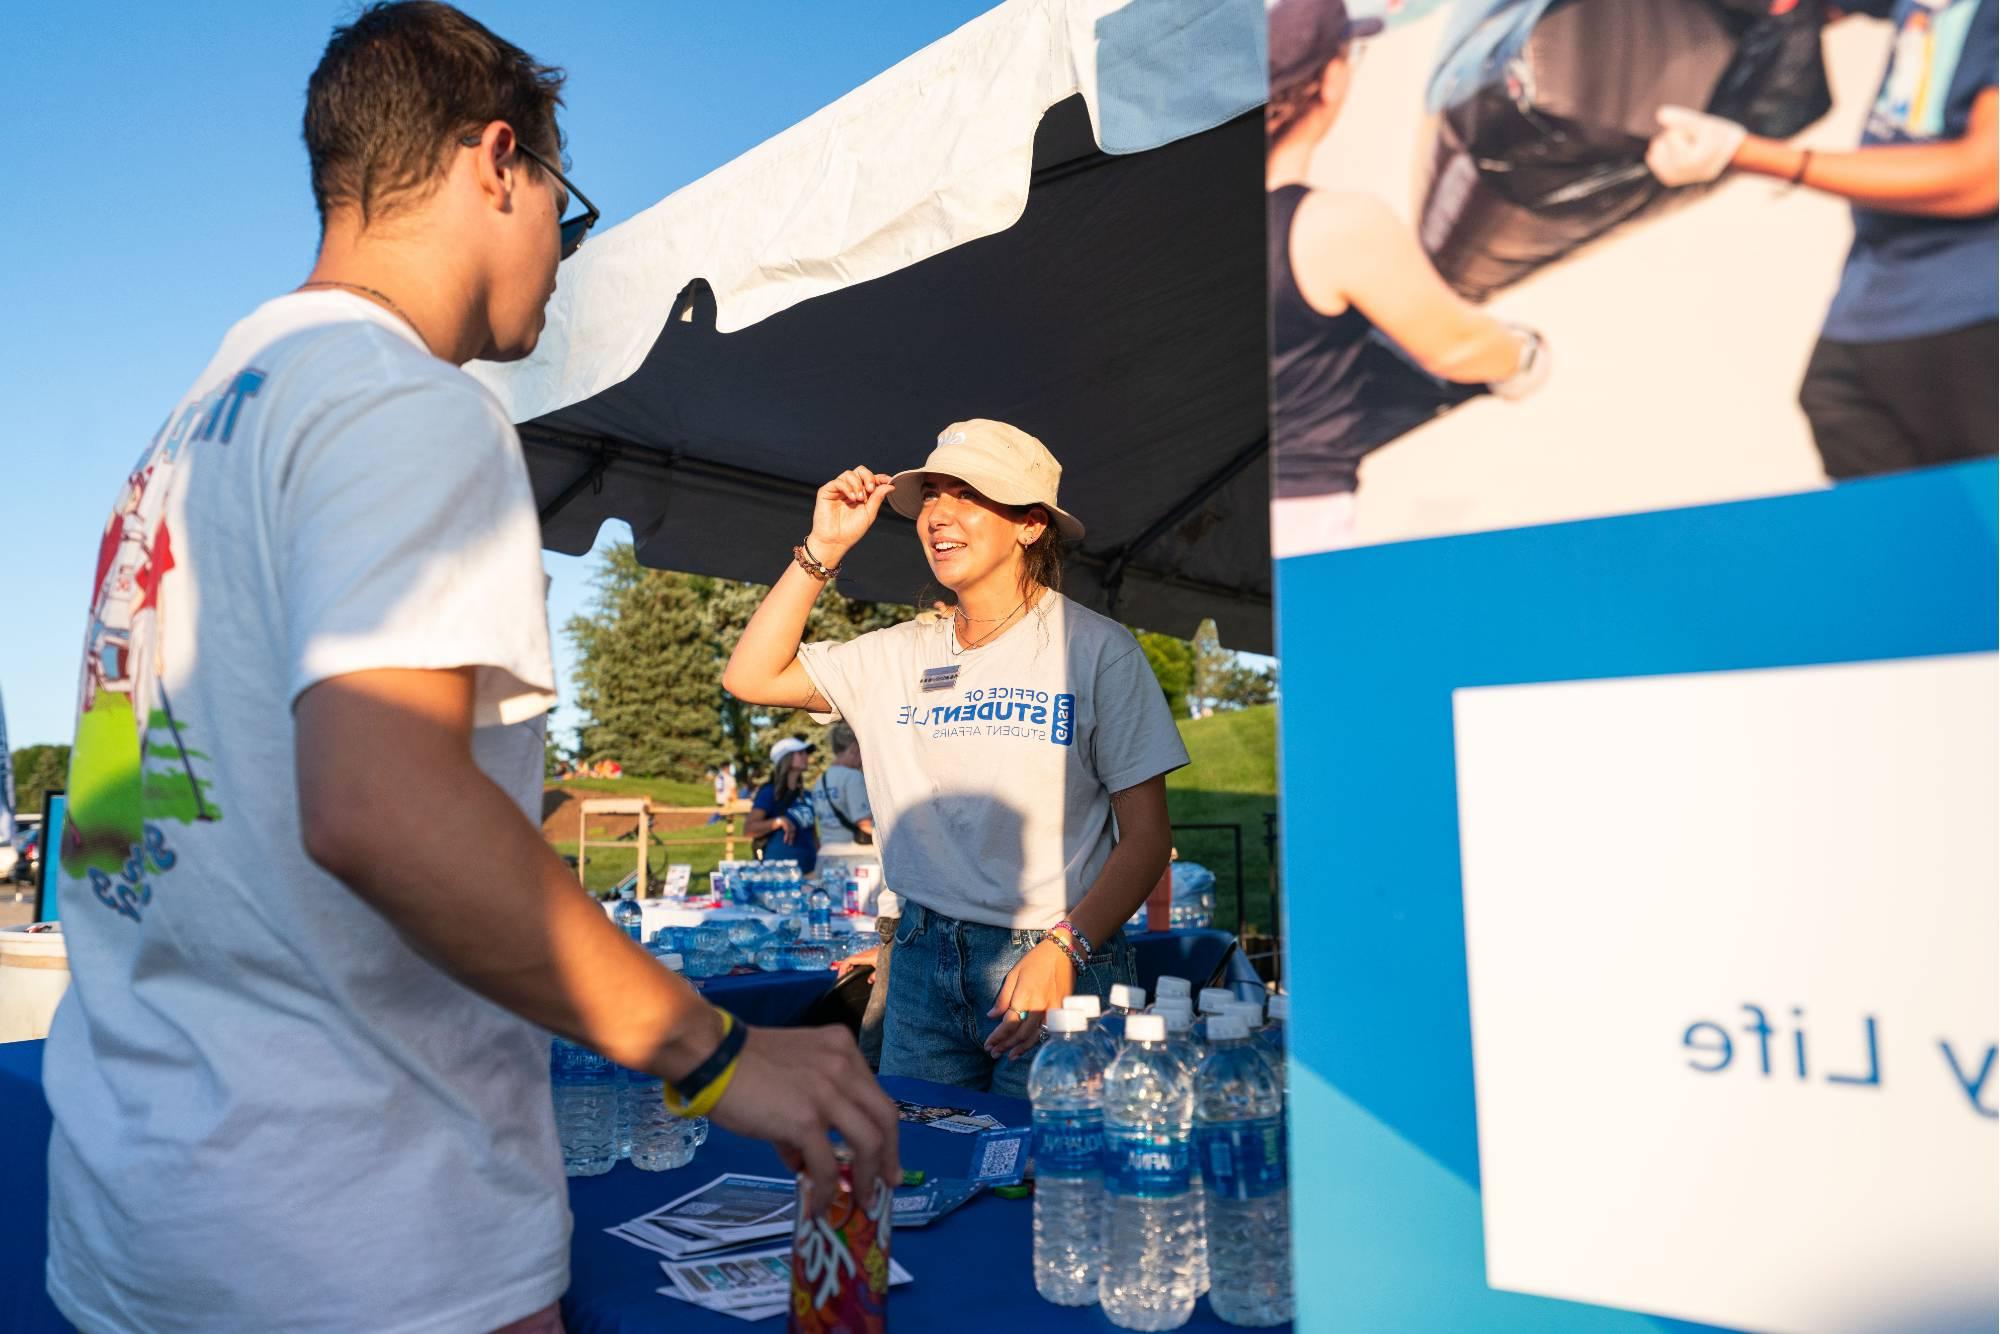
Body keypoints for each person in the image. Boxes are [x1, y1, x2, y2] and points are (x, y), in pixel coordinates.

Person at [42, 6, 895, 1331]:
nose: (562, 253)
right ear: (499, 161)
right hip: (364, 1238)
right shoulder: (404, 400)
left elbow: (108, 828)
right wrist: (717, 1053)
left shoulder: (177, 444)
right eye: (569, 202)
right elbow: (378, 804)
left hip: (145, 1221)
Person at [722, 419, 1188, 1098]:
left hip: (1053, 964)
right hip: (919, 964)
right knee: (919, 1176)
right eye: (932, 494)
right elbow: (750, 676)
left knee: (1045, 1182)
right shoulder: (896, 653)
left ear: (1030, 525)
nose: (937, 513)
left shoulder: (1095, 649)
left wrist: (1066, 949)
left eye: (966, 495)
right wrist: (822, 550)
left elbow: (1148, 839)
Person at [1645, 0, 1997, 480]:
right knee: (1899, 545)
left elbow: (1980, 177)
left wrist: (1755, 156)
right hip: (1865, 330)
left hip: (1974, 325)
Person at [1266, 0, 1549, 557]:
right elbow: (1460, 347)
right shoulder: (1334, 226)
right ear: (1331, 81)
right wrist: (1527, 355)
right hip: (1305, 516)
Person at [812, 723, 896, 1066]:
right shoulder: (851, 778)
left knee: (835, 915)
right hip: (855, 858)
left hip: (828, 854)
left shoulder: (821, 780)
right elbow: (865, 821)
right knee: (858, 914)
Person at [747, 736, 819, 872]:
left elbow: (813, 833)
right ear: (786, 758)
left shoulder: (807, 795)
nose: (806, 757)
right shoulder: (769, 792)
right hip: (779, 876)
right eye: (800, 753)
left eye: (806, 753)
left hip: (809, 871)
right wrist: (779, 822)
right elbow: (749, 829)